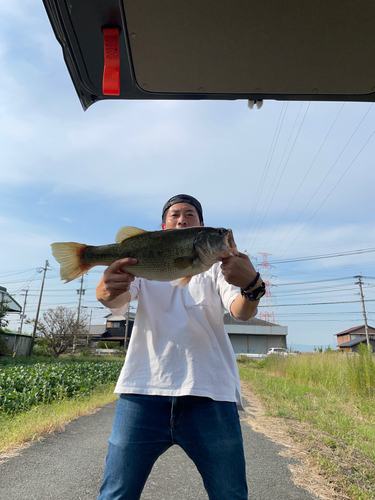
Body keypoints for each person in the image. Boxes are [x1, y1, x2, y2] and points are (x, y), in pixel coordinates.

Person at [96, 194, 265, 500]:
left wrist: (252, 285)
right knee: (115, 494)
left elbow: (241, 310)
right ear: (163, 227)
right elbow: (118, 303)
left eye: (190, 215)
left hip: (210, 392)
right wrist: (104, 291)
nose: (182, 219)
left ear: (199, 226)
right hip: (142, 391)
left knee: (231, 494)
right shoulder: (144, 262)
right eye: (175, 215)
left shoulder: (218, 267)